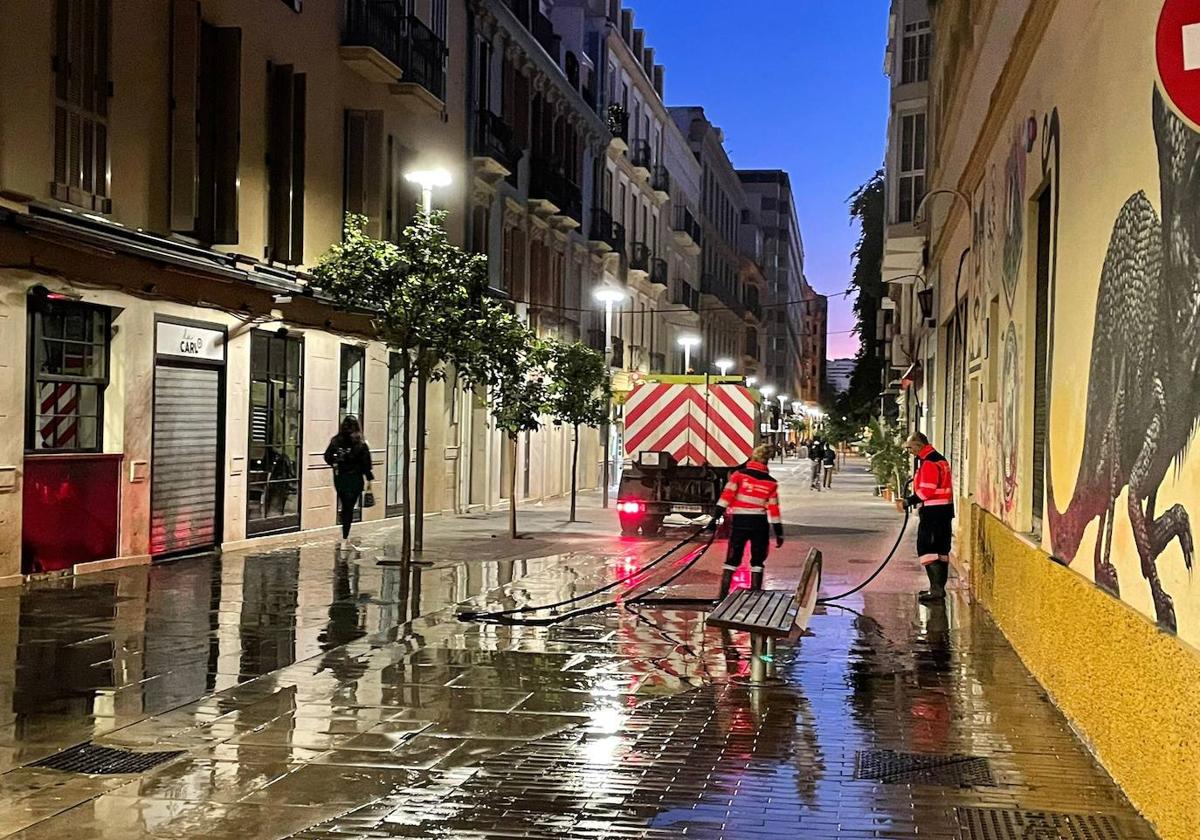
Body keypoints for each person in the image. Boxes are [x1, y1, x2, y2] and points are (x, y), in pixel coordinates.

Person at [710, 444, 784, 599]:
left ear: (752, 458)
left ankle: (722, 596)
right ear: (766, 462)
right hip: (759, 523)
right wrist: (779, 533)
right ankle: (755, 596)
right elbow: (774, 509)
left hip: (740, 522)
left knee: (732, 557)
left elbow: (726, 498)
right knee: (757, 559)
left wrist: (714, 518)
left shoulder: (739, 475)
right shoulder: (771, 482)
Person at [904, 431, 955, 603]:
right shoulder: (939, 458)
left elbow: (927, 490)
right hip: (944, 511)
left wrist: (907, 501)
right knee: (941, 550)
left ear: (919, 445)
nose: (909, 451)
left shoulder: (929, 463)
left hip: (933, 512)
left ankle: (936, 590)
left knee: (927, 549)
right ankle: (937, 589)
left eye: (910, 447)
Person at [324, 415, 375, 549]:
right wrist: (369, 480)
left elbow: (327, 456)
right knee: (349, 507)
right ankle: (345, 535)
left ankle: (344, 533)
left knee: (345, 504)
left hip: (340, 478)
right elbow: (366, 464)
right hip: (355, 479)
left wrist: (335, 463)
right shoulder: (360, 444)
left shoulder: (336, 441)